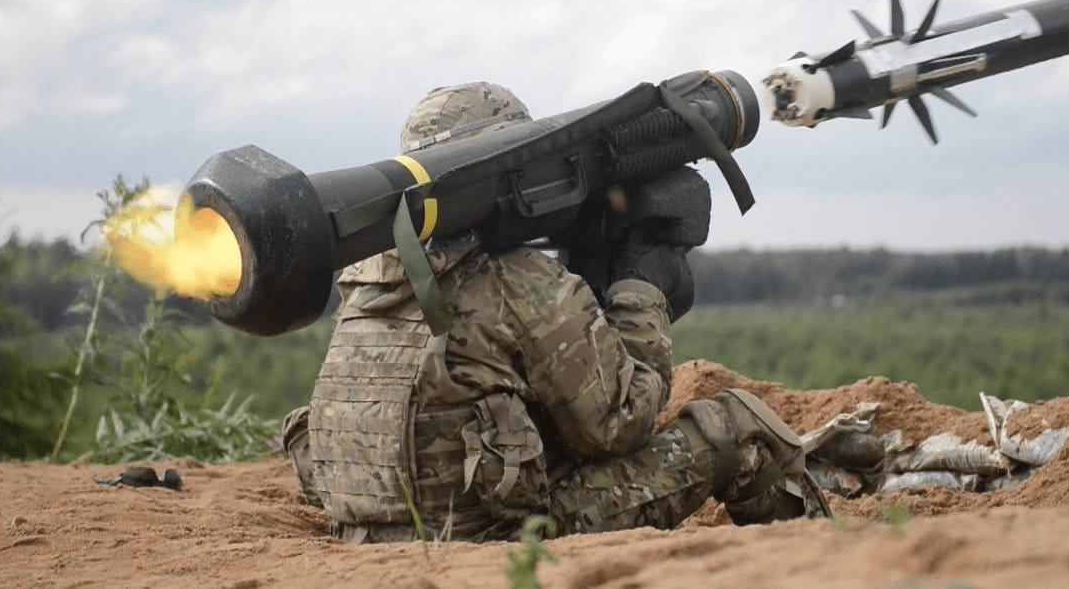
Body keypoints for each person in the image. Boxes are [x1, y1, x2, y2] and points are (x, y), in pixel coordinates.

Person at [282, 82, 829, 543]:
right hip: (493, 543)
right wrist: (641, 289)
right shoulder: (514, 280)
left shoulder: (366, 275)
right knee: (739, 426)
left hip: (368, 534)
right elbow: (619, 424)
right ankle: (826, 564)